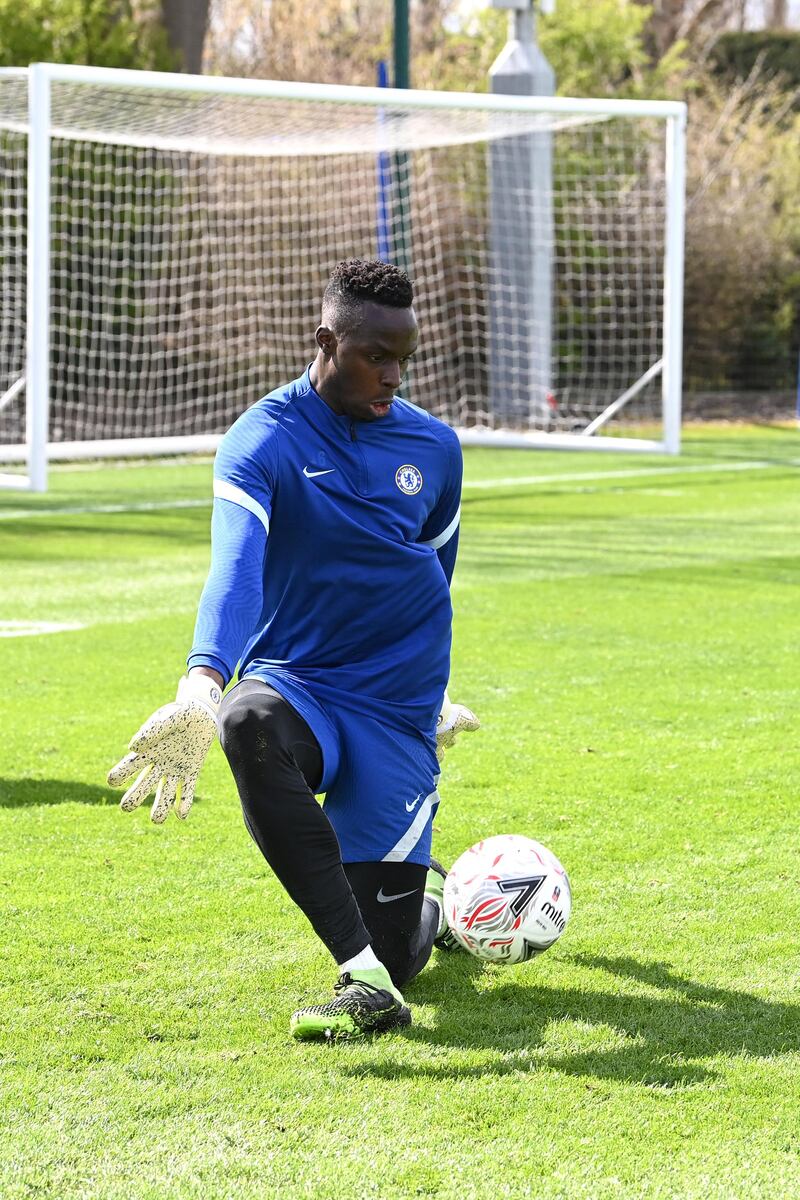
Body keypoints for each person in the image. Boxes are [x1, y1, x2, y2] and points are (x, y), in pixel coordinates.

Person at [108, 258, 479, 1040]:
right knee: (246, 724)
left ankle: (430, 912)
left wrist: (432, 692)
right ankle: (363, 979)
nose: (392, 376)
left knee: (403, 947)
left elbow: (433, 573)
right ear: (326, 341)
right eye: (375, 357)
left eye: (403, 359)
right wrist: (200, 683)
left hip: (395, 708)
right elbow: (235, 569)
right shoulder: (263, 439)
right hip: (302, 682)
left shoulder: (436, 450)